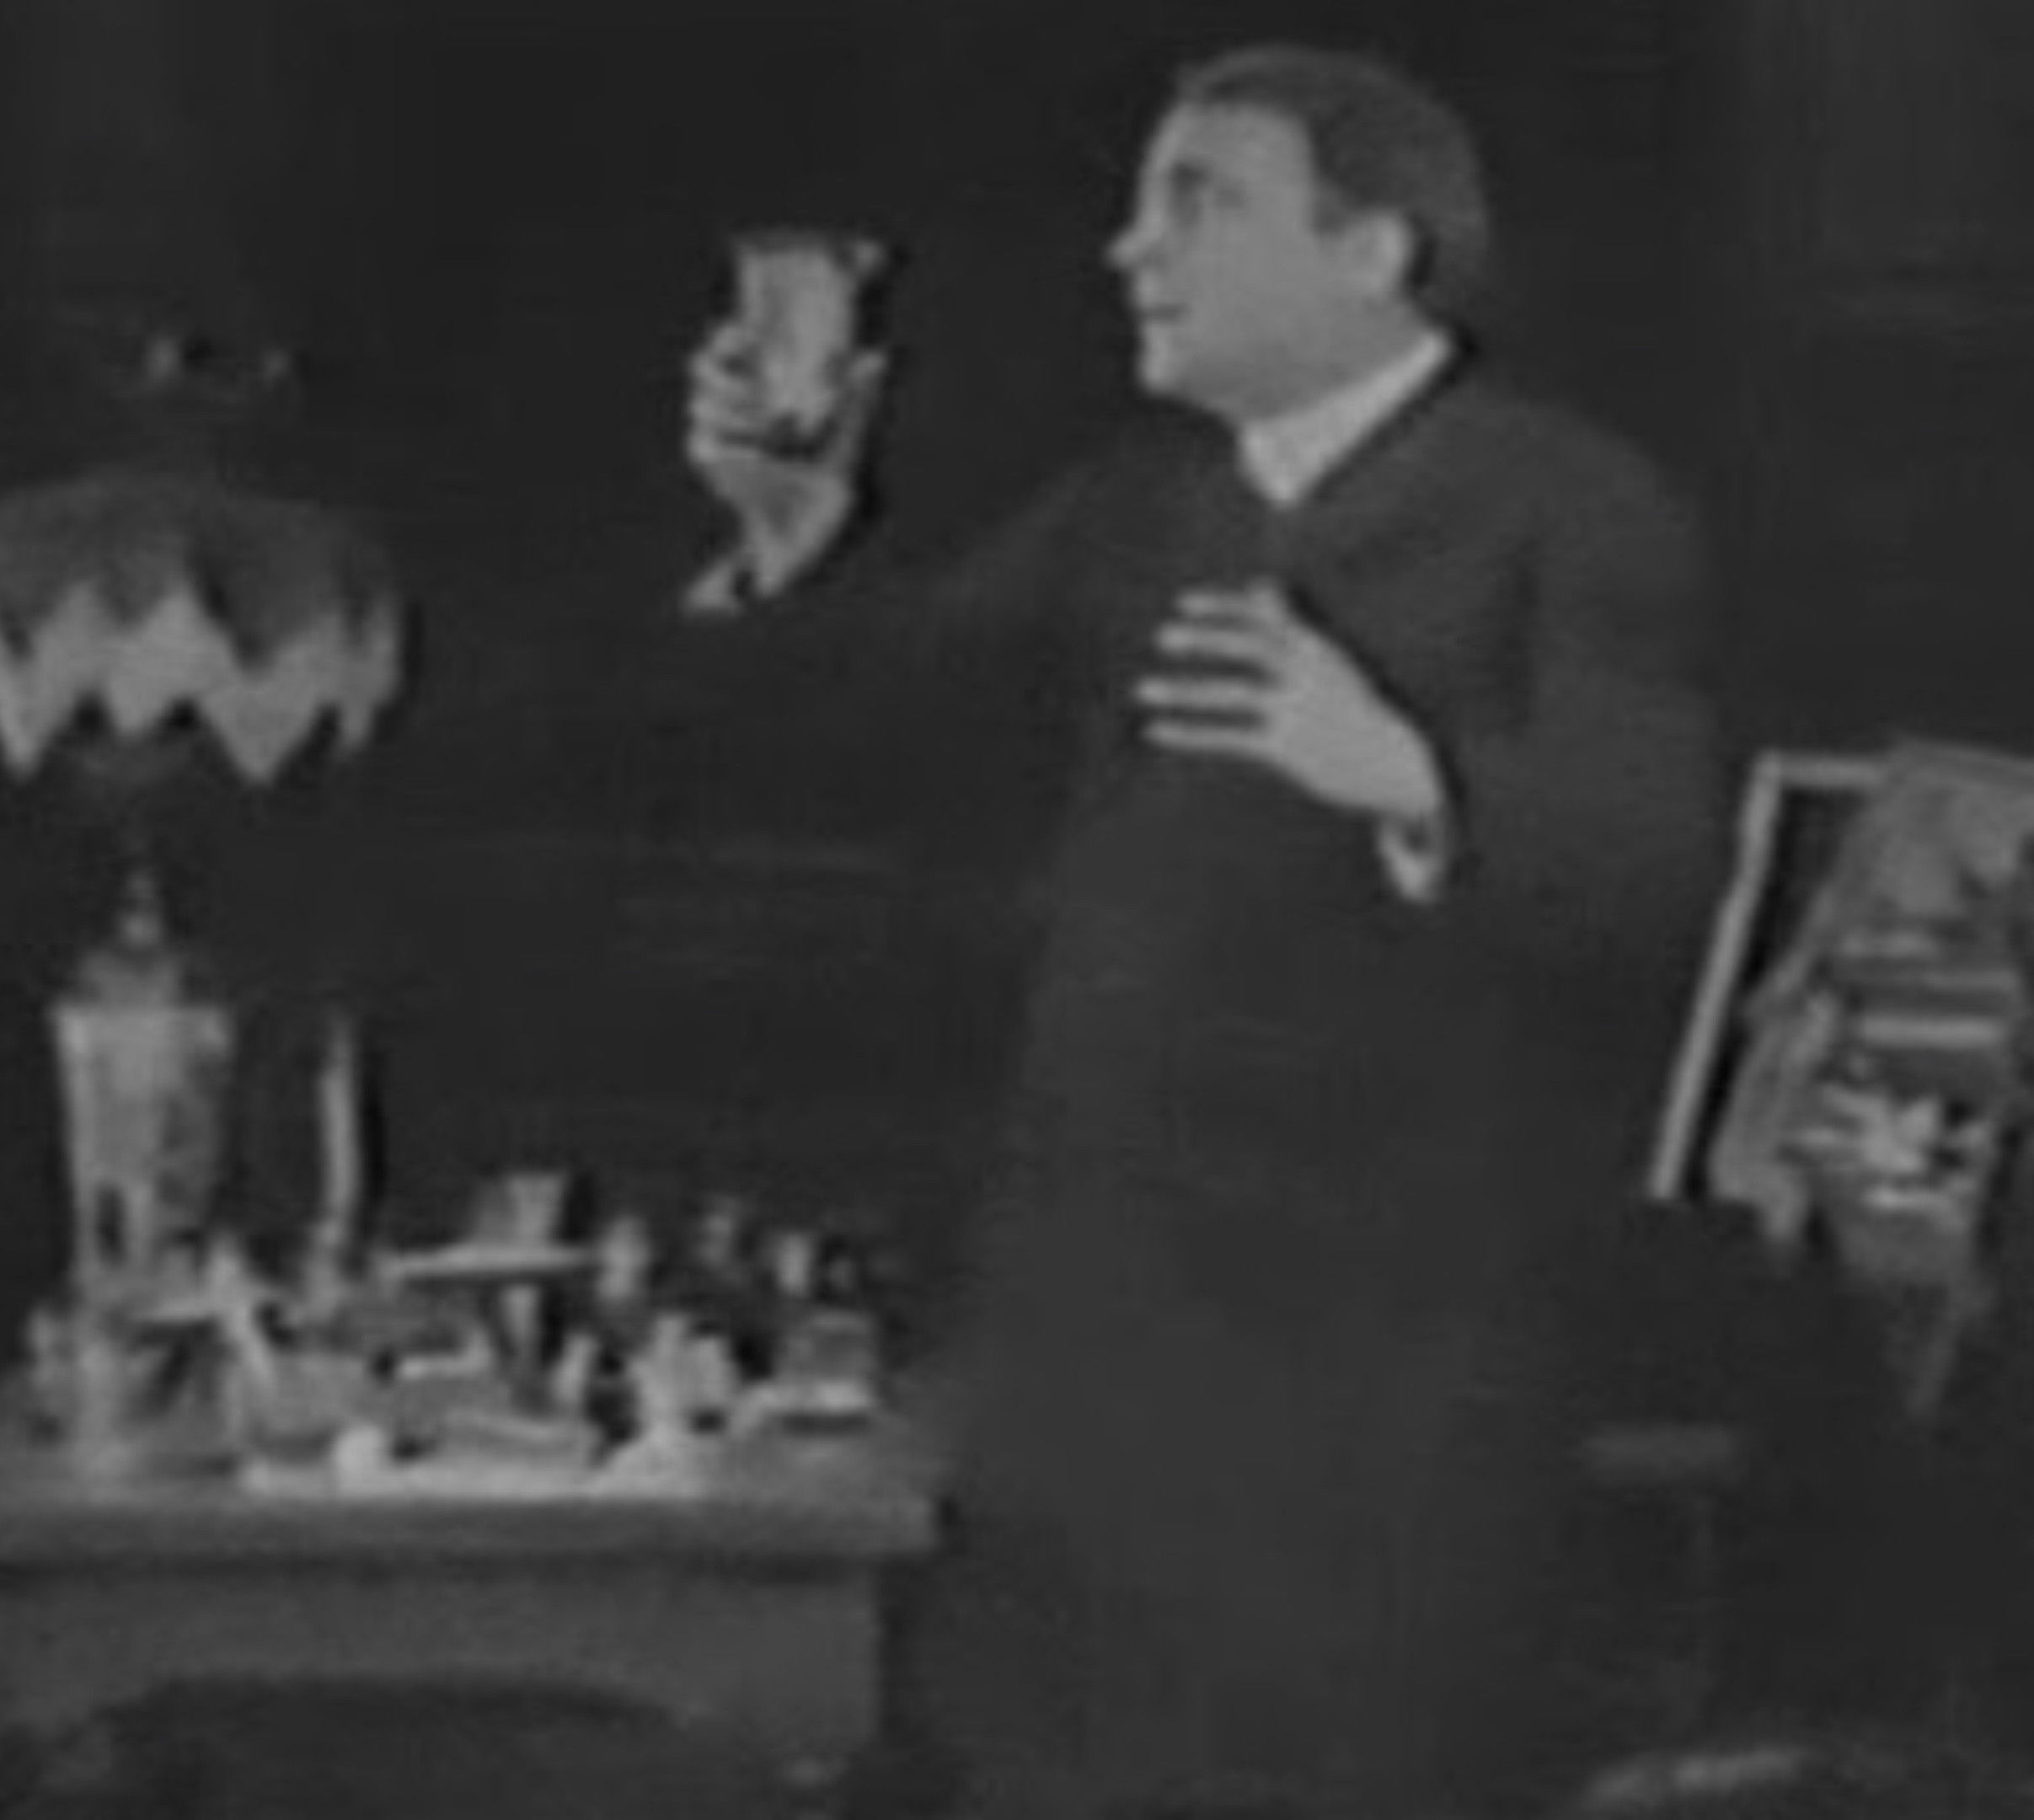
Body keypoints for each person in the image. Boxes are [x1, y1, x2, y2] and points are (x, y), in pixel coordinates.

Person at [680, 42, 1725, 1820]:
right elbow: (889, 728)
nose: (1130, 249)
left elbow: (1654, 864)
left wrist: (1403, 772)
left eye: (1199, 200)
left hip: (1376, 1381)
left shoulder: (1571, 504)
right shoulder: (1140, 508)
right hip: (1098, 1355)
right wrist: (794, 536)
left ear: (1376, 248)